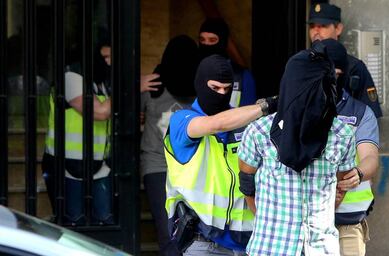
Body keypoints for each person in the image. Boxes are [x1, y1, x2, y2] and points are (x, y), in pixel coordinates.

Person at [237, 40, 356, 255]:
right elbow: (247, 184)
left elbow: (343, 184)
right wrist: (270, 223)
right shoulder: (259, 131)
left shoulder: (342, 134)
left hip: (320, 249)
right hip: (270, 248)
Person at [163, 54, 278, 255]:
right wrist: (265, 106)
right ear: (200, 84)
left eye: (227, 88)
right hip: (202, 240)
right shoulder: (181, 120)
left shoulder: (244, 119)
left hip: (247, 240)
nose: (222, 94)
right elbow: (216, 124)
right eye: (215, 88)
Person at [42, 29, 113, 225]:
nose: (109, 62)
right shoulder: (71, 76)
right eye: (105, 57)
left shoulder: (102, 81)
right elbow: (99, 112)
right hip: (67, 165)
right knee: (74, 224)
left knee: (104, 222)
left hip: (100, 164)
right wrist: (128, 87)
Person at [140, 35, 200, 256]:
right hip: (159, 166)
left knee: (191, 234)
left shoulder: (201, 87)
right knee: (169, 234)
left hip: (189, 169)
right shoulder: (153, 84)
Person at [322, 39, 380, 256]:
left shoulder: (361, 112)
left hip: (347, 222)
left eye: (336, 74)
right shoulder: (296, 108)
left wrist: (358, 172)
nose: (331, 80)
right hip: (304, 222)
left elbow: (370, 157)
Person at [308, 3, 383, 118]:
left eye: (323, 25)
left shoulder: (354, 67)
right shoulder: (301, 64)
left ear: (338, 29)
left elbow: (370, 114)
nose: (316, 31)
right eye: (312, 26)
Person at [198, 18, 256, 107]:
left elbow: (249, 109)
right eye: (202, 39)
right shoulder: (195, 71)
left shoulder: (241, 76)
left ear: (222, 41)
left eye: (212, 40)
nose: (206, 44)